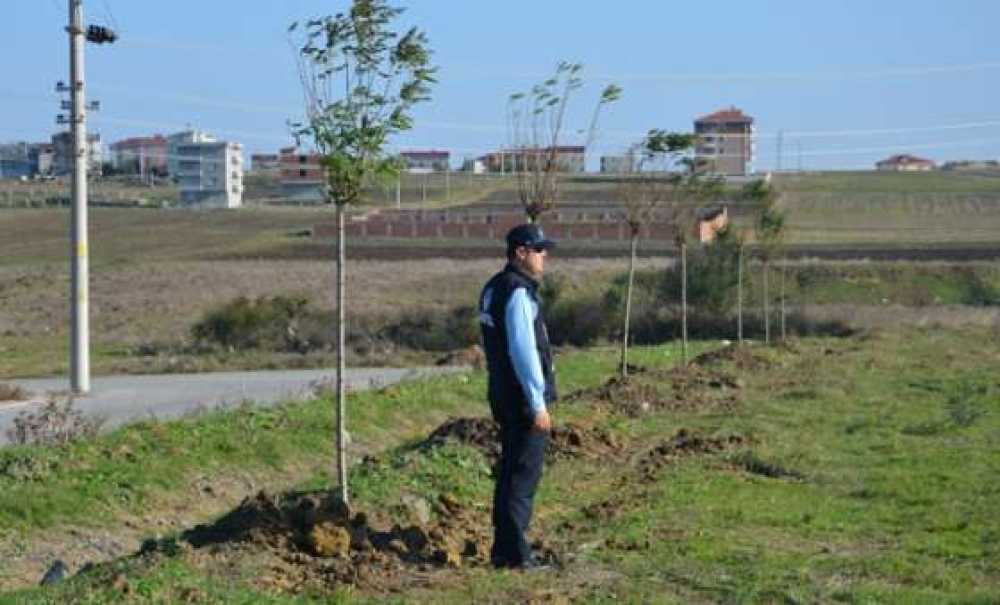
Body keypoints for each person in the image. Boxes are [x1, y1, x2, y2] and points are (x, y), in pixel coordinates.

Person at [478, 223, 558, 570]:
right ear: (520, 252)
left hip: (502, 394)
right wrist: (537, 403)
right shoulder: (517, 292)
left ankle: (505, 548)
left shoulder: (493, 288)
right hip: (522, 399)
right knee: (522, 476)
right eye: (538, 250)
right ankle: (515, 555)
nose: (544, 256)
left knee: (510, 472)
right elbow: (523, 350)